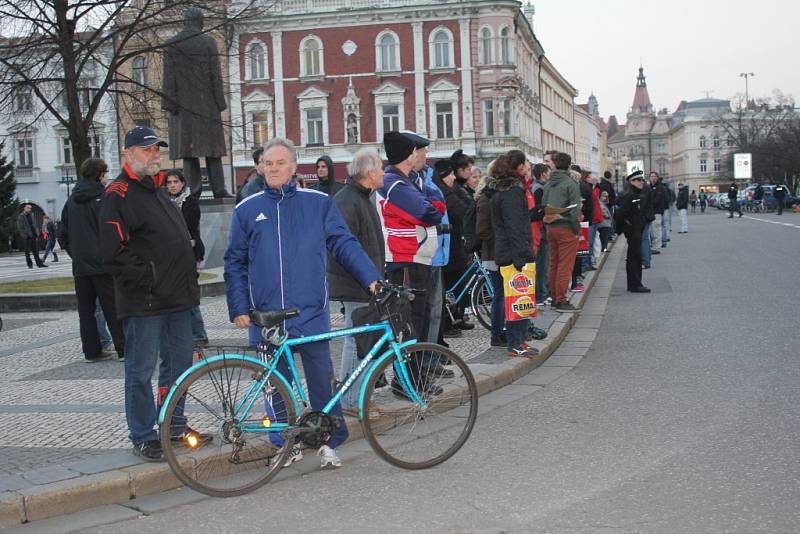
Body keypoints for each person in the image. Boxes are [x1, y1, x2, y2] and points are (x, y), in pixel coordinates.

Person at [225, 137, 381, 469]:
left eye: (281, 163)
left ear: (295, 167)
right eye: (268, 163)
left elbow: (343, 243)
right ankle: (284, 444)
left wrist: (370, 276)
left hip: (310, 311)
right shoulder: (246, 210)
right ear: (261, 167)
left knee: (321, 380)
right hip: (265, 315)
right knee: (274, 385)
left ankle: (327, 441)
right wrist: (239, 307)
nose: (274, 168)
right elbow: (234, 262)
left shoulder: (318, 203)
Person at [100, 126, 203, 462]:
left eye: (156, 149)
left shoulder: (157, 189)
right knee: (140, 372)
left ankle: (173, 425)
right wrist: (149, 277)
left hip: (177, 299)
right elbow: (112, 252)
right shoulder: (118, 194)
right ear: (128, 154)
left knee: (179, 367)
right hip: (145, 301)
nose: (155, 154)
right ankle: (143, 434)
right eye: (147, 150)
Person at [327, 148, 385, 418]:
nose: (383, 173)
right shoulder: (348, 200)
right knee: (355, 340)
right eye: (381, 168)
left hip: (365, 281)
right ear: (370, 173)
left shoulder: (361, 197)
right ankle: (350, 400)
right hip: (355, 283)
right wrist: (367, 278)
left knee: (361, 339)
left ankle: (357, 396)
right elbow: (342, 248)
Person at [60, 158, 125, 363]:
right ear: (99, 174)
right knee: (112, 306)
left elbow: (63, 234)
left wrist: (77, 254)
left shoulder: (70, 201)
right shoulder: (105, 197)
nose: (106, 177)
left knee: (86, 311)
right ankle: (123, 348)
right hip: (103, 262)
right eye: (105, 172)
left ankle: (91, 351)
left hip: (80, 265)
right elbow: (113, 228)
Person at [489, 154, 537, 357]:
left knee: (520, 298)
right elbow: (514, 227)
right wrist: (521, 257)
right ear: (518, 166)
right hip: (514, 254)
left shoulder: (506, 188)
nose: (528, 166)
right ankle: (515, 343)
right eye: (525, 163)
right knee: (517, 298)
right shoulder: (512, 191)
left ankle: (520, 340)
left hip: (511, 251)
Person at [164, 170, 209, 347]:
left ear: (183, 183)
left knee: (189, 295)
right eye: (169, 182)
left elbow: (190, 227)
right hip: (169, 255)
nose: (172, 185)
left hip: (188, 252)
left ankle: (199, 334)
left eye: (176, 181)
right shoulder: (164, 203)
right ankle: (180, 334)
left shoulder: (190, 202)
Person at [542, 152, 582, 312]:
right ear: (569, 165)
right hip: (566, 227)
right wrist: (576, 228)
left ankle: (553, 297)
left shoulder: (548, 184)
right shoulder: (571, 184)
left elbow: (544, 205)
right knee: (565, 266)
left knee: (554, 264)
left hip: (551, 227)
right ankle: (561, 299)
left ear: (555, 164)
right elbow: (574, 209)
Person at [475, 169, 504, 346]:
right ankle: (496, 334)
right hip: (493, 253)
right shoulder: (486, 199)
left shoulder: (491, 197)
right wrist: (498, 237)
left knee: (502, 293)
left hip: (498, 251)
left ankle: (500, 331)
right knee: (499, 294)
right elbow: (482, 230)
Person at [617, 171, 650, 293]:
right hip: (633, 229)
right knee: (635, 257)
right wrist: (626, 226)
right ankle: (635, 284)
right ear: (632, 182)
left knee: (633, 256)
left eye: (642, 180)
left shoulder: (635, 193)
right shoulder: (629, 195)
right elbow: (621, 213)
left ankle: (633, 284)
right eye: (639, 180)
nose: (642, 182)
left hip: (636, 228)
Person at [531, 163, 551, 306]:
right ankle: (541, 295)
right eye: (548, 172)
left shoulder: (537, 188)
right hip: (540, 231)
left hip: (540, 231)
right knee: (541, 265)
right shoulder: (538, 189)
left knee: (543, 264)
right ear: (543, 174)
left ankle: (543, 293)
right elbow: (539, 212)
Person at [16, 204, 46, 268]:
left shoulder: (31, 215)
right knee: (27, 252)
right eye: (28, 208)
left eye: (30, 208)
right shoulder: (21, 216)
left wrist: (37, 232)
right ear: (24, 208)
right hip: (27, 237)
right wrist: (25, 236)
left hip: (33, 235)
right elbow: (20, 228)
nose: (29, 209)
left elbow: (34, 224)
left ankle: (39, 264)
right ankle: (30, 265)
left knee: (35, 251)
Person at [648, 171, 668, 250]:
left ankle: (657, 247)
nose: (653, 178)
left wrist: (649, 204)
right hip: (650, 211)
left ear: (657, 177)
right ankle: (654, 245)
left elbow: (658, 200)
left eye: (654, 176)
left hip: (657, 211)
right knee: (652, 230)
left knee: (656, 229)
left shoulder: (660, 187)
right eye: (652, 176)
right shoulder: (649, 187)